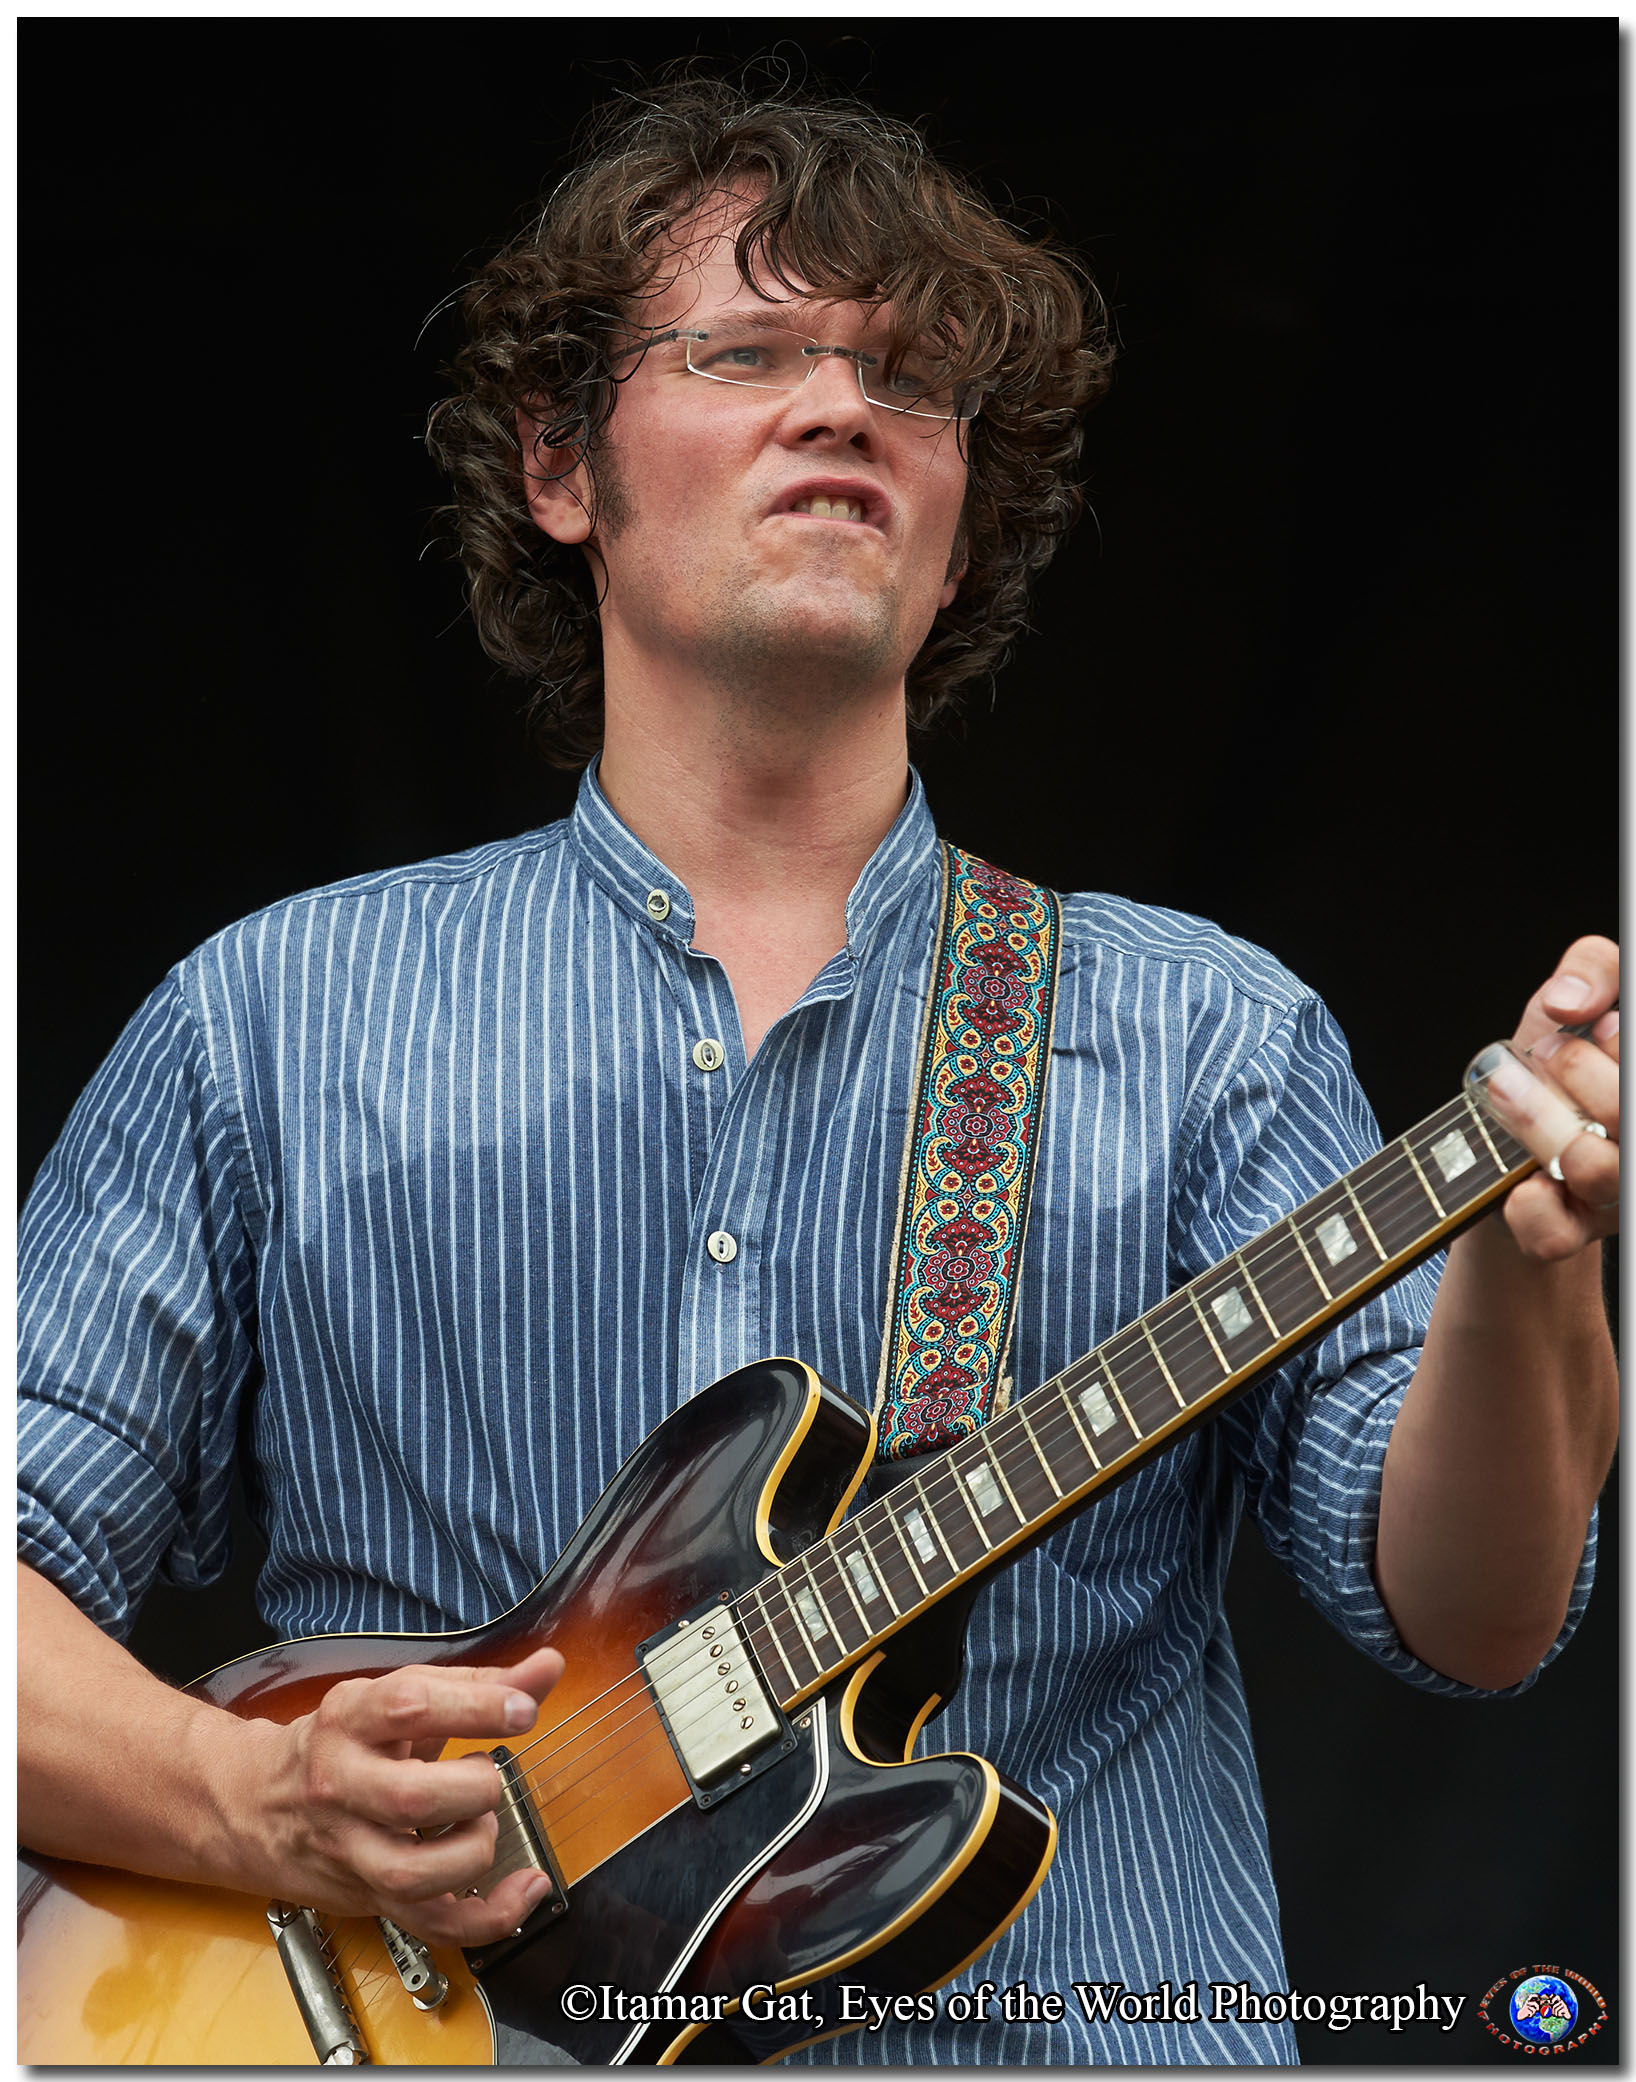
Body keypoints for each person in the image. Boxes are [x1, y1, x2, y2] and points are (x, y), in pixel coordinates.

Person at [17, 75, 1619, 2065]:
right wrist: (248, 1796)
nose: (843, 409)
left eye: (909, 382)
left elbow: (1475, 1620)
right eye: (748, 351)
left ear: (958, 533)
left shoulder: (1210, 1032)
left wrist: (1532, 1267)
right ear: (559, 464)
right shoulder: (271, 1014)